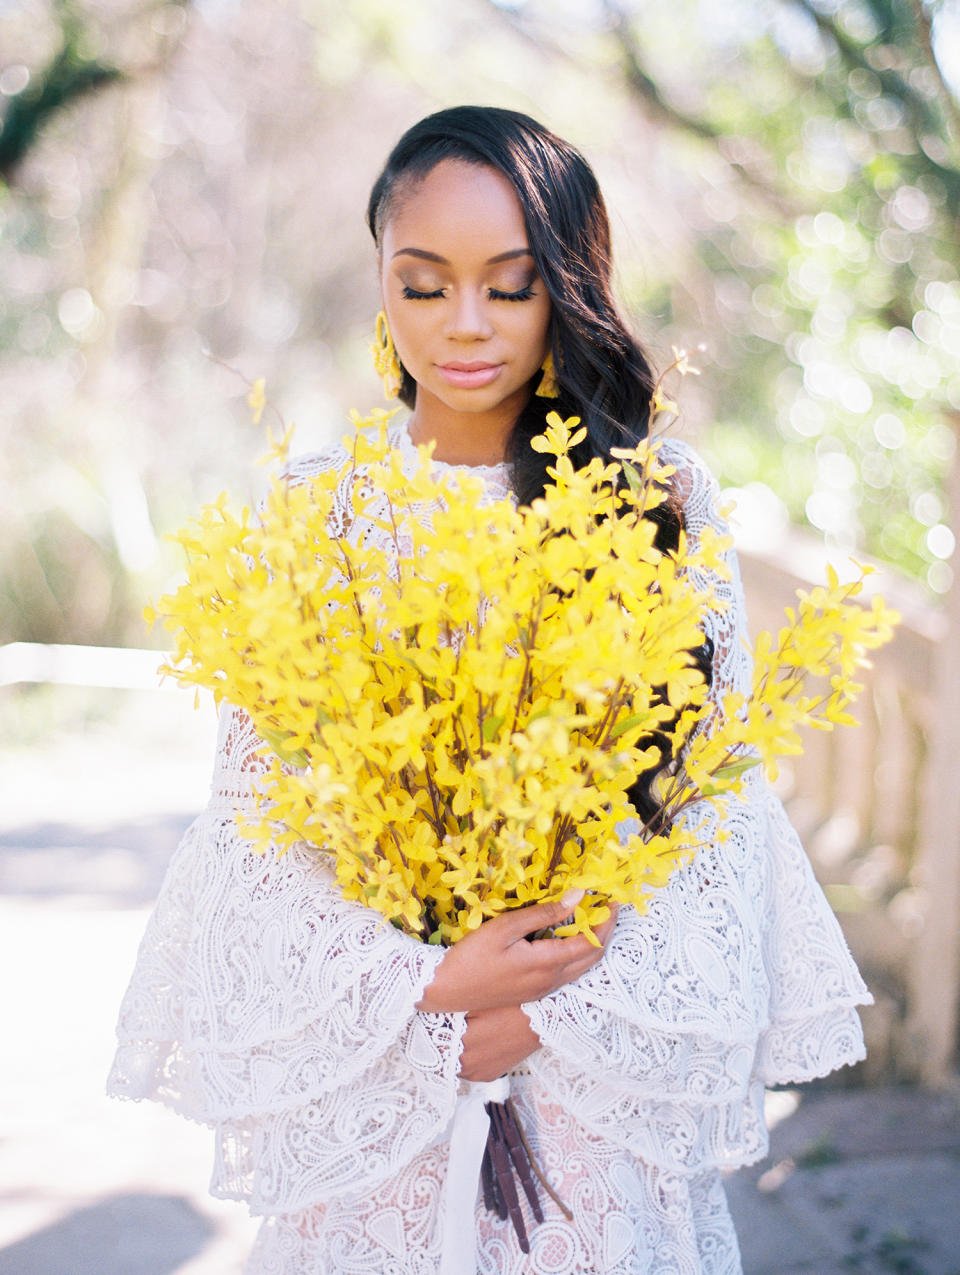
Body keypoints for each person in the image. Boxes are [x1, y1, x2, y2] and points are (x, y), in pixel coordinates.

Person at [108, 106, 871, 1274]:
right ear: (380, 284)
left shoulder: (656, 499)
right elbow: (260, 822)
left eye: (509, 287)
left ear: (568, 285)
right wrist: (427, 991)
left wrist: (536, 1008)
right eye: (423, 286)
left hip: (595, 1108)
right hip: (387, 1096)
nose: (464, 325)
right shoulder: (323, 512)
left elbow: (710, 799)